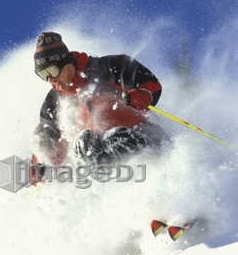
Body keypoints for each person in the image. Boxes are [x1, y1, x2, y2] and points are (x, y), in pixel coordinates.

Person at [33, 32, 169, 167]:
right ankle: (102, 185)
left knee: (115, 138)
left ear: (66, 63)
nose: (50, 80)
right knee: (84, 143)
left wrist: (142, 95)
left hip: (144, 138)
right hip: (100, 159)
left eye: (52, 71)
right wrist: (40, 165)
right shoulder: (54, 101)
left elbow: (152, 85)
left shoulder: (108, 67)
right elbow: (48, 143)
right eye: (43, 74)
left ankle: (147, 175)